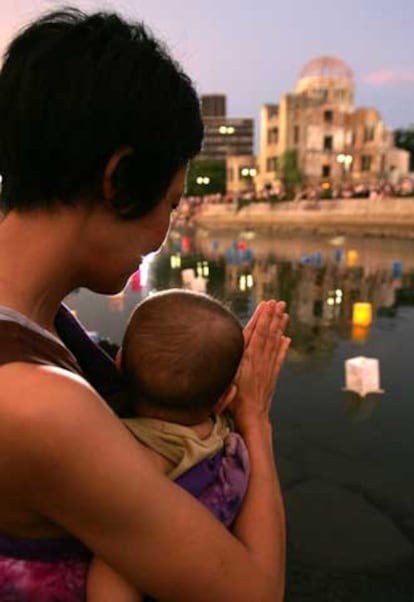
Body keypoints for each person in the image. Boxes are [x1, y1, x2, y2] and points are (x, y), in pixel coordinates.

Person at [0, 7, 290, 602]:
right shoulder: (37, 407)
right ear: (121, 178)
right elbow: (255, 591)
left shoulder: (40, 316)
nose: (162, 233)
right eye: (172, 202)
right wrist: (254, 421)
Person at [88, 288, 251, 601]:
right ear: (226, 398)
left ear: (118, 364)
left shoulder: (141, 459)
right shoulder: (227, 443)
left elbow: (111, 567)